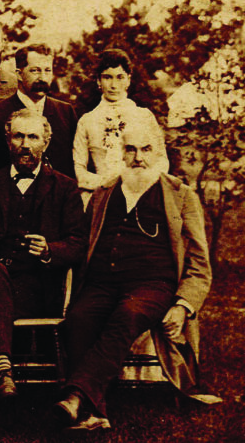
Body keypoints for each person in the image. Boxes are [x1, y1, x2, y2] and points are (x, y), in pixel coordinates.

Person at [55, 118, 211, 433]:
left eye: (146, 149)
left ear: (158, 153)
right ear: (120, 154)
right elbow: (80, 241)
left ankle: (74, 397)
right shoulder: (103, 193)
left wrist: (182, 305)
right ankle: (96, 413)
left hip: (152, 286)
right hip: (101, 283)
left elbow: (199, 262)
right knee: (78, 319)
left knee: (126, 315)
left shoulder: (180, 195)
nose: (138, 157)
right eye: (130, 149)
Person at [0, 109, 86, 435]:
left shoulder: (66, 189)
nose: (25, 145)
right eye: (18, 137)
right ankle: (1, 371)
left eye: (33, 137)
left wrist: (51, 251)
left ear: (46, 141)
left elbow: (78, 243)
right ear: (8, 141)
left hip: (38, 289)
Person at [73, 48, 168, 204]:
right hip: (101, 195)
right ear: (98, 80)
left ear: (128, 80)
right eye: (107, 77)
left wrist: (140, 183)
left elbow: (162, 162)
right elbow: (79, 170)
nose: (113, 85)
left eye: (120, 77)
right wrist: (108, 185)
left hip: (141, 194)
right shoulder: (87, 121)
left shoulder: (144, 116)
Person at [0, 44, 78, 180]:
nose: (43, 78)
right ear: (19, 74)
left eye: (47, 71)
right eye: (35, 71)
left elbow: (74, 165)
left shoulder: (65, 112)